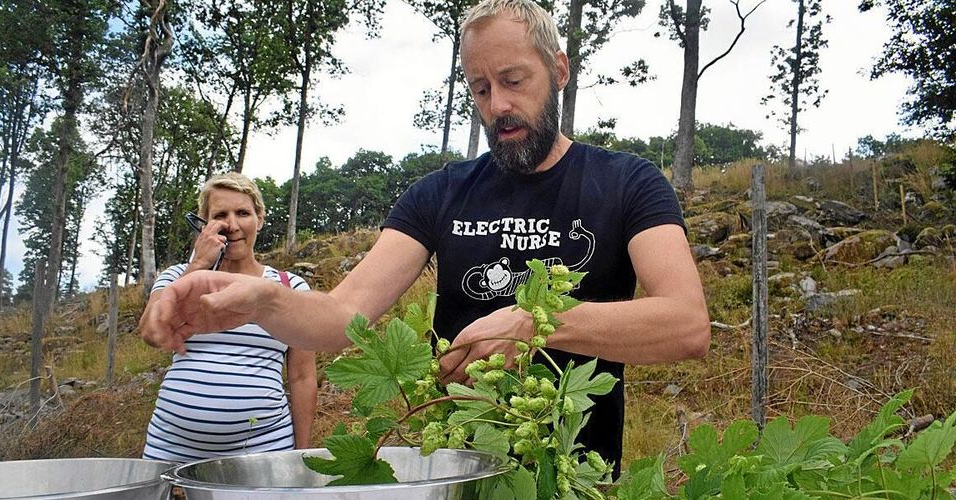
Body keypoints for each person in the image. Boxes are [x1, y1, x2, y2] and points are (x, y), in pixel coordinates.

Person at [139, 0, 709, 472]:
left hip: (574, 473)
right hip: (453, 467)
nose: (498, 106)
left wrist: (534, 326)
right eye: (480, 89)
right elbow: (343, 318)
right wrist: (264, 300)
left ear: (559, 70)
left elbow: (685, 324)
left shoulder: (629, 182)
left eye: (514, 81)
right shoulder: (439, 193)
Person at [139, 172, 317, 463]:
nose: (232, 225)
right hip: (170, 449)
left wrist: (301, 457)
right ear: (204, 224)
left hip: (264, 449)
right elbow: (150, 332)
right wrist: (197, 264)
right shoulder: (177, 277)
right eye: (220, 215)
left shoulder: (290, 287)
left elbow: (302, 377)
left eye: (243, 213)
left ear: (259, 219)